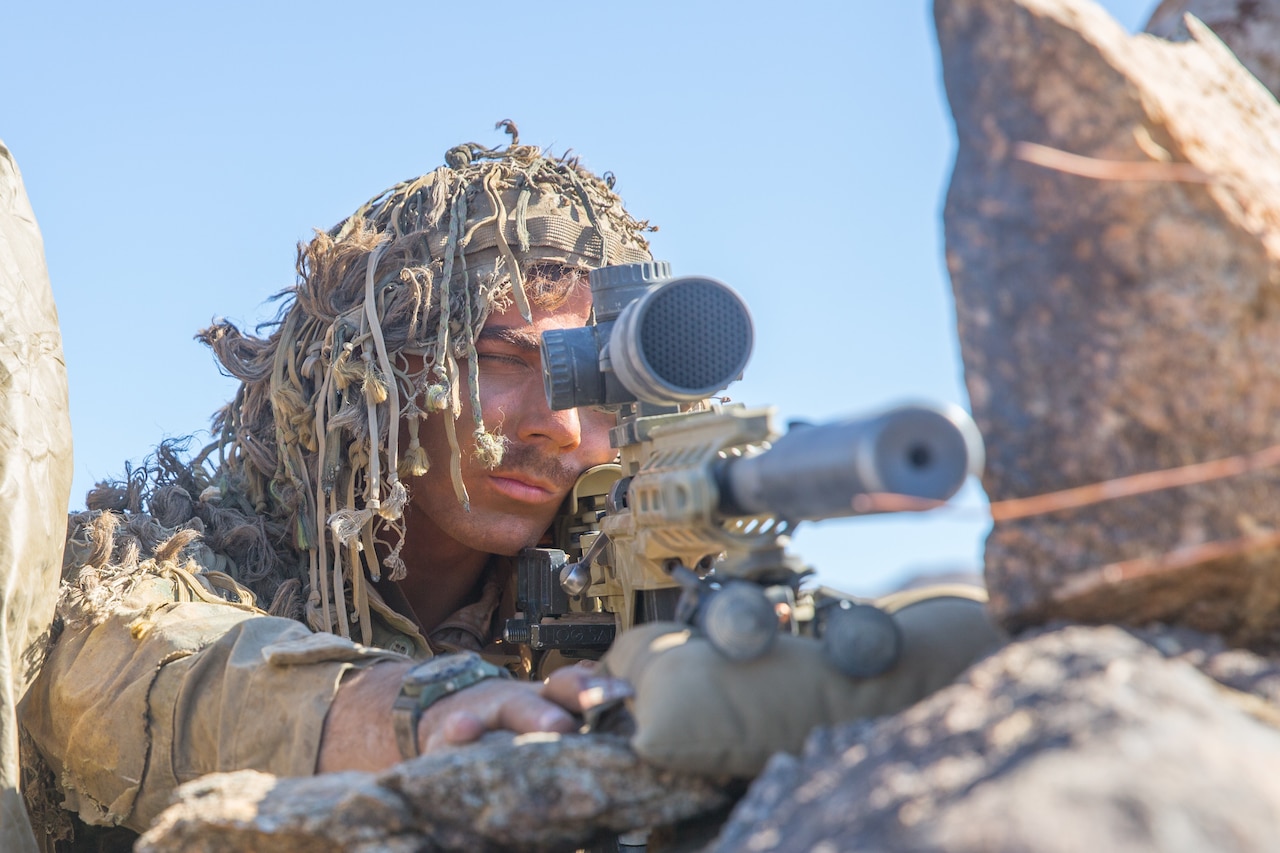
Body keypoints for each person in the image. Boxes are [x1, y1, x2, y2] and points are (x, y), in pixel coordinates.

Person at [17, 124, 1002, 851]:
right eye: (504, 358)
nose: (558, 425)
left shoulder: (609, 577)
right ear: (375, 367)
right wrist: (407, 712)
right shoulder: (187, 561)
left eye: (599, 388)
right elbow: (143, 672)